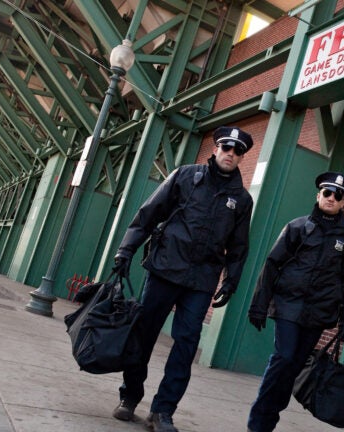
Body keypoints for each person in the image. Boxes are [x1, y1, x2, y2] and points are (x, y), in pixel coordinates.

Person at [110, 126, 254, 432]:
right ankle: (130, 397)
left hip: (201, 281)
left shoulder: (241, 200)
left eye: (238, 151)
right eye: (226, 147)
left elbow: (239, 247)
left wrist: (231, 280)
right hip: (164, 268)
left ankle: (162, 411)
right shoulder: (185, 177)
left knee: (186, 344)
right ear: (215, 149)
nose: (231, 154)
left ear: (242, 157)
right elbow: (147, 215)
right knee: (143, 336)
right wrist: (125, 251)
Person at [246, 171, 344, 432]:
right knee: (284, 358)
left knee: (295, 366)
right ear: (318, 195)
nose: (332, 198)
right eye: (327, 193)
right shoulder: (297, 227)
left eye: (338, 195)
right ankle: (258, 423)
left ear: (343, 202)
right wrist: (259, 304)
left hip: (319, 313)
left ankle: (268, 421)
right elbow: (272, 265)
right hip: (289, 305)